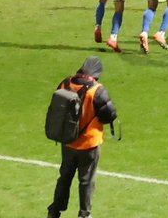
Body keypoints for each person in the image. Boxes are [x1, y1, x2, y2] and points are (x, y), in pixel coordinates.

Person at [46, 56, 118, 218]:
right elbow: (109, 115)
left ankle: (54, 210)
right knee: (86, 181)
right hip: (89, 144)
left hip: (68, 141)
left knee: (64, 177)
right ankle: (84, 214)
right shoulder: (97, 90)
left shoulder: (66, 82)